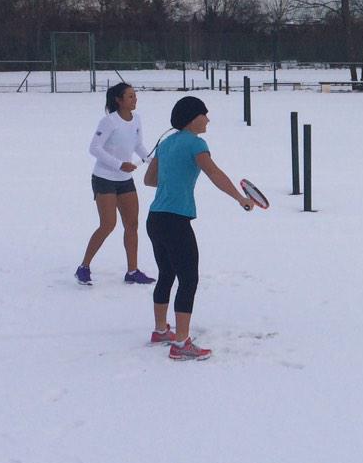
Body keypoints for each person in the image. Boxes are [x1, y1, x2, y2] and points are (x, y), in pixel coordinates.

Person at [144, 95, 255, 360]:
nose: (208, 119)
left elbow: (149, 180)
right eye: (205, 114)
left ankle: (161, 331)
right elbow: (214, 173)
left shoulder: (167, 142)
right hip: (175, 220)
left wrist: (173, 178)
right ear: (193, 118)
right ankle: (181, 344)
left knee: (166, 275)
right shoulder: (196, 143)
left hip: (155, 218)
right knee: (189, 279)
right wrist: (240, 198)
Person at [76, 83, 155, 286]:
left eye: (135, 95)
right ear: (118, 100)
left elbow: (137, 145)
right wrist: (120, 164)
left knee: (132, 225)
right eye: (130, 96)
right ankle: (83, 267)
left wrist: (150, 160)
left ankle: (132, 271)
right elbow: (94, 148)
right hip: (104, 179)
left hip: (124, 181)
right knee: (108, 224)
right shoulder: (109, 121)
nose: (135, 99)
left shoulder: (136, 119)